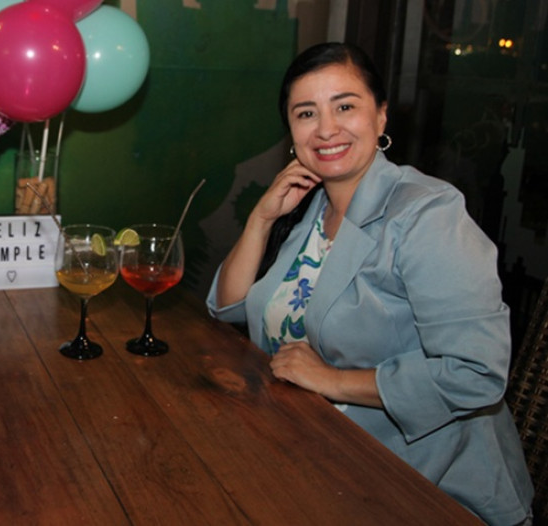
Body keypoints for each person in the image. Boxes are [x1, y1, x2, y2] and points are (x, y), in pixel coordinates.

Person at [206, 42, 533, 525]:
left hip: (422, 484)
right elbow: (230, 308)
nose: (326, 128)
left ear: (381, 117)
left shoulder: (427, 213)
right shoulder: (313, 208)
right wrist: (260, 218)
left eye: (345, 106)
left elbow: (475, 374)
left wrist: (331, 380)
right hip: (314, 456)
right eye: (306, 113)